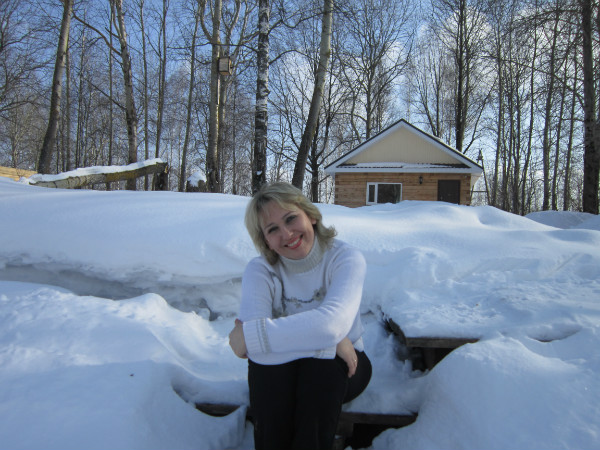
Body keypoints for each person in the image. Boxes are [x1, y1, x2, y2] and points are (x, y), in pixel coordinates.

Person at [229, 182, 372, 450]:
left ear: (311, 216)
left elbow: (330, 325)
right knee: (268, 372)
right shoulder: (260, 270)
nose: (286, 233)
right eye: (272, 229)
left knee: (321, 368)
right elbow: (257, 350)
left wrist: (254, 335)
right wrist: (331, 342)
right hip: (287, 370)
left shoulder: (345, 258)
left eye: (290, 218)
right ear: (266, 241)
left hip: (345, 366)